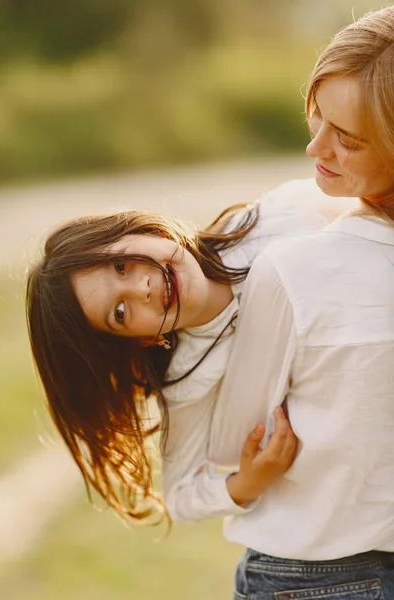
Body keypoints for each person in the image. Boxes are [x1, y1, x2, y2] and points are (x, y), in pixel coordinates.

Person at [25, 180, 351, 523]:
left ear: (142, 228)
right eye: (120, 313)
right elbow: (181, 497)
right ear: (141, 340)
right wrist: (248, 482)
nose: (141, 288)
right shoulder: (189, 377)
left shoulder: (268, 221)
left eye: (121, 264)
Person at [206, 5, 394, 597]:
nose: (316, 147)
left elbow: (232, 439)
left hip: (315, 573)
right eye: (318, 119)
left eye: (348, 138)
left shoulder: (294, 268)